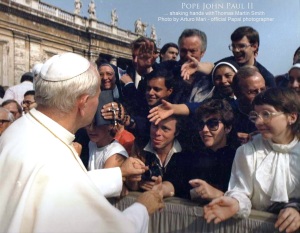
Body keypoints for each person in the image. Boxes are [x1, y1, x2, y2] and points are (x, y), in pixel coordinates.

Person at [0, 52, 164, 233]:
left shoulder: (19, 128)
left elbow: (58, 186)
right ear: (84, 103)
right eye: (99, 96)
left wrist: (118, 174)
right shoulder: (57, 154)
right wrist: (142, 208)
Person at [204, 87, 300, 233]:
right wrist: (235, 203)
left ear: (291, 117)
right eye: (256, 115)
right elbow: (241, 191)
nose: (258, 122)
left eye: (266, 114)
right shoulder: (247, 151)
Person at [164, 99, 239, 201]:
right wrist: (161, 189)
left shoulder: (238, 159)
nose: (204, 130)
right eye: (201, 124)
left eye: (213, 124)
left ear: (228, 128)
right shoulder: (185, 157)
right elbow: (173, 184)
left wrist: (219, 195)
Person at [126, 115, 183, 198]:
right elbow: (132, 185)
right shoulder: (140, 147)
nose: (157, 133)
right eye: (155, 126)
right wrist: (136, 181)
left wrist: (162, 188)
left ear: (176, 132)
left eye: (165, 129)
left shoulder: (185, 153)